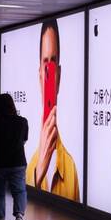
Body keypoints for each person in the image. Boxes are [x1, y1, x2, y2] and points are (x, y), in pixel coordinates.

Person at [25, 19, 80, 200]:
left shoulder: (70, 168)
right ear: (40, 74)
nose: (49, 71)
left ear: (59, 76)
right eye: (45, 63)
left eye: (53, 63)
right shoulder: (29, 165)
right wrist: (38, 172)